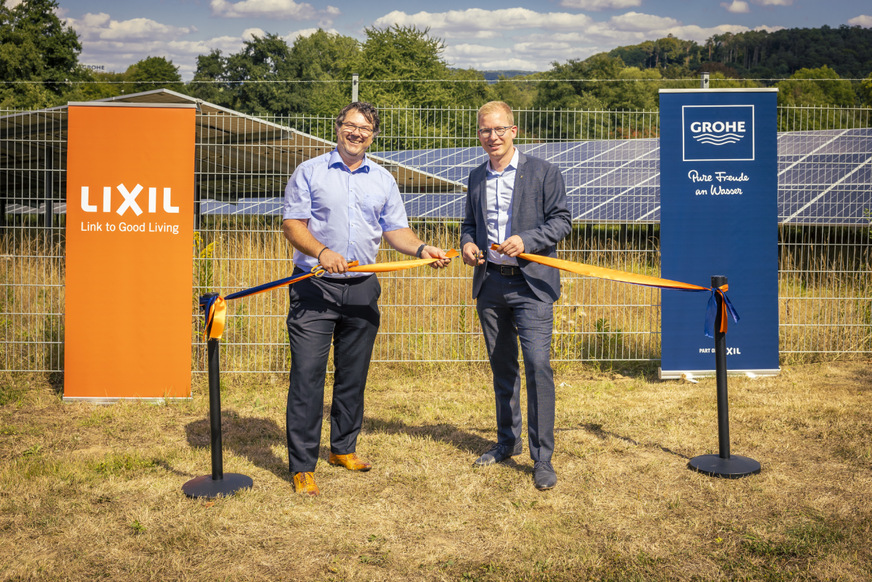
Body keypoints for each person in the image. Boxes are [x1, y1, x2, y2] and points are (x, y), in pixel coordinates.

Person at [281, 101, 451, 496]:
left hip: (363, 287)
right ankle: (303, 465)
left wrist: (422, 248)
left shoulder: (383, 179)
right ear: (337, 127)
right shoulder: (310, 172)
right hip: (314, 284)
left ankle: (342, 448)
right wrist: (323, 252)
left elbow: (396, 230)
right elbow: (292, 224)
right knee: (307, 377)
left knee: (353, 375)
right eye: (350, 126)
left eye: (365, 128)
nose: (357, 133)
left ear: (373, 135)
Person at [460, 101, 571, 491]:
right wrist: (468, 245)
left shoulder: (543, 172)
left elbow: (562, 221)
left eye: (499, 129)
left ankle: (542, 458)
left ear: (514, 130)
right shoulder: (476, 177)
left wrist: (527, 240)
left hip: (531, 285)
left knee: (538, 367)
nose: (492, 137)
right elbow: (469, 225)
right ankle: (507, 442)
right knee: (502, 367)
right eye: (485, 131)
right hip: (490, 284)